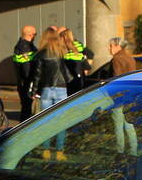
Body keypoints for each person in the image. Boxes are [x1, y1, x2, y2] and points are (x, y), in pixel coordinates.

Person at [30, 28, 72, 158]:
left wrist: (34, 91)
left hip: (46, 89)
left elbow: (37, 75)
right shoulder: (61, 52)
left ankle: (46, 150)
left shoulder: (40, 54)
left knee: (46, 121)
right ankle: (60, 151)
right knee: (61, 121)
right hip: (61, 88)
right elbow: (67, 71)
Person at [13, 25, 37, 121]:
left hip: (22, 82)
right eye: (35, 34)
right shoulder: (26, 47)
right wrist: (32, 82)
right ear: (30, 34)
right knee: (27, 109)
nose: (35, 36)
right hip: (27, 82)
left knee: (25, 107)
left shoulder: (20, 45)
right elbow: (26, 67)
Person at [59, 27, 93, 94]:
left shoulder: (61, 47)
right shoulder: (78, 45)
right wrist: (86, 68)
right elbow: (90, 54)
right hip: (79, 73)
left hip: (67, 74)